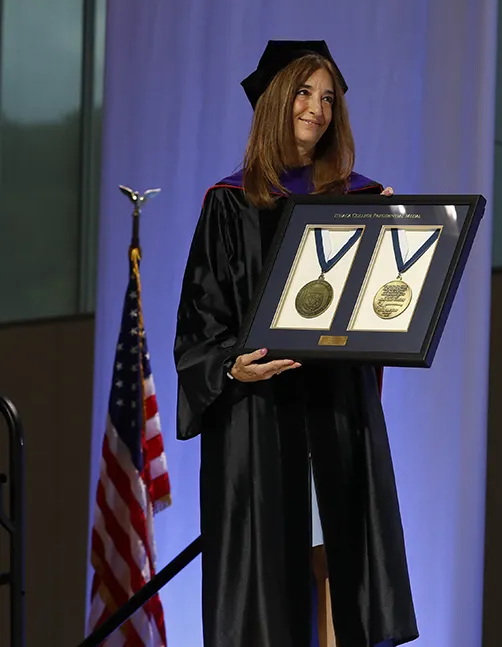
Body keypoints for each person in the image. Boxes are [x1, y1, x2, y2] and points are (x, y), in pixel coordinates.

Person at [173, 40, 419, 646]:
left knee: (338, 560)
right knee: (269, 586)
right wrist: (234, 369)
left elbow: (385, 312)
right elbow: (201, 324)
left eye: (329, 98)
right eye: (305, 93)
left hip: (337, 414)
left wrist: (393, 241)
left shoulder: (361, 201)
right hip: (261, 419)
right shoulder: (229, 205)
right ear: (277, 102)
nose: (317, 108)